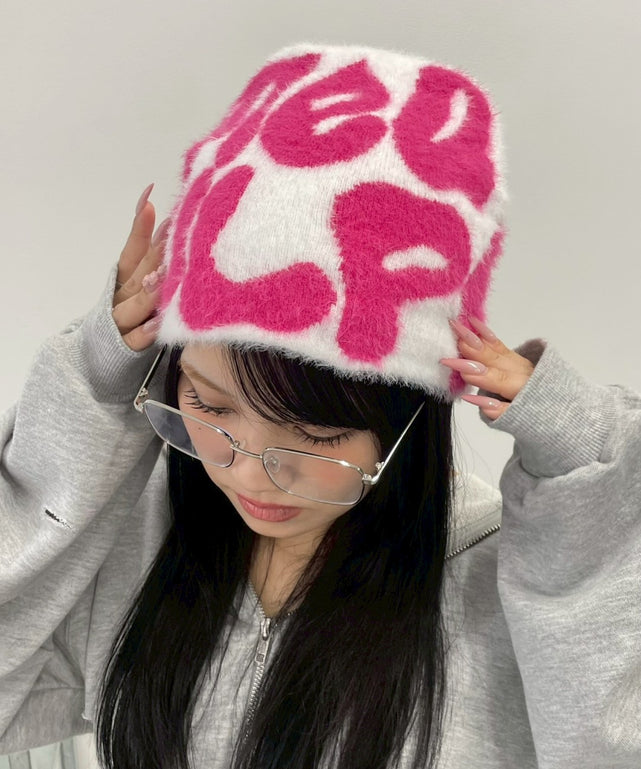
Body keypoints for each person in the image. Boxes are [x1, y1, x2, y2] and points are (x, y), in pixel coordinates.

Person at [1, 43, 639, 769]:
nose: (249, 474)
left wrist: (582, 461)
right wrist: (91, 381)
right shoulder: (140, 548)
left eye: (314, 434)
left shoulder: (499, 594)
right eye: (209, 406)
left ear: (405, 421)